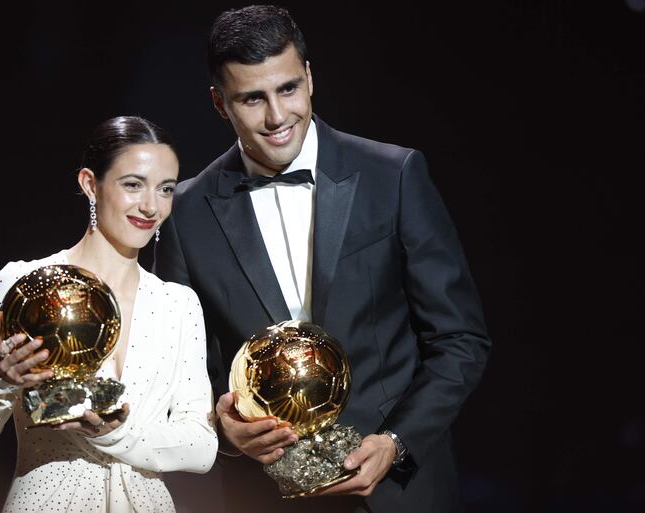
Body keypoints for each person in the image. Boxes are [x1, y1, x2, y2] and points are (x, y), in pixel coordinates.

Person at [154, 5, 491, 513]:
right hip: (265, 496)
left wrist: (395, 443)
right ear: (220, 104)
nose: (276, 117)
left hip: (401, 492)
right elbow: (180, 375)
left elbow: (460, 339)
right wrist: (224, 432)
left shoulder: (393, 175)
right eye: (251, 98)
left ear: (309, 77)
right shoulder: (185, 212)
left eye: (288, 89)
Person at [0, 116, 217, 513]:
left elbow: (202, 447)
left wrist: (119, 433)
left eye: (165, 189)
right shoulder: (24, 285)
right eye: (133, 184)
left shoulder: (177, 304)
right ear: (89, 184)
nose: (150, 206)